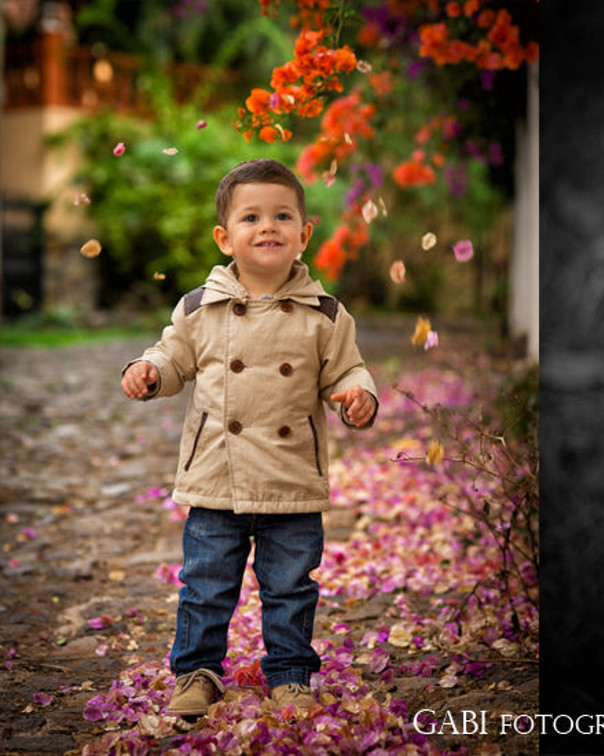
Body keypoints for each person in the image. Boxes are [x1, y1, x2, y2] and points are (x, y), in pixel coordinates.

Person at [121, 158, 379, 719]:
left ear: (304, 234)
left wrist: (359, 395)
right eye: (252, 217)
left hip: (290, 477)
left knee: (290, 588)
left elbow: (348, 371)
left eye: (282, 215)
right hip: (218, 475)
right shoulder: (199, 307)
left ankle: (289, 675)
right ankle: (196, 672)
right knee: (206, 586)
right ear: (225, 236)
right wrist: (149, 370)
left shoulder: (327, 316)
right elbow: (172, 357)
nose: (268, 227)